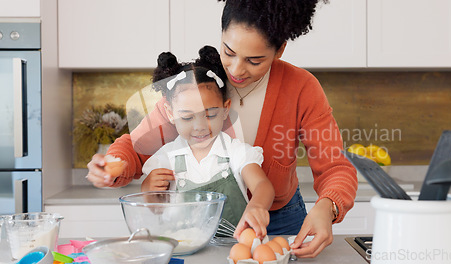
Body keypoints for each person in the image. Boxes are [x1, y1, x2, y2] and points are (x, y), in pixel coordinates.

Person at [86, 0, 357, 258]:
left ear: (280, 50)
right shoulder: (200, 83)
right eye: (228, 52)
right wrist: (114, 164)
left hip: (280, 221)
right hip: (205, 224)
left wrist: (327, 207)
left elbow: (335, 166)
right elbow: (137, 147)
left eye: (254, 60)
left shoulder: (301, 88)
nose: (236, 69)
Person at [140, 47, 274, 237]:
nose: (200, 126)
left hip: (231, 252)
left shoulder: (235, 152)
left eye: (210, 114)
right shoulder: (167, 157)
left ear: (225, 109)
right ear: (170, 113)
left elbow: (262, 185)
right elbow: (155, 207)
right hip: (184, 251)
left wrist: (257, 206)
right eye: (187, 118)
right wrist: (148, 189)